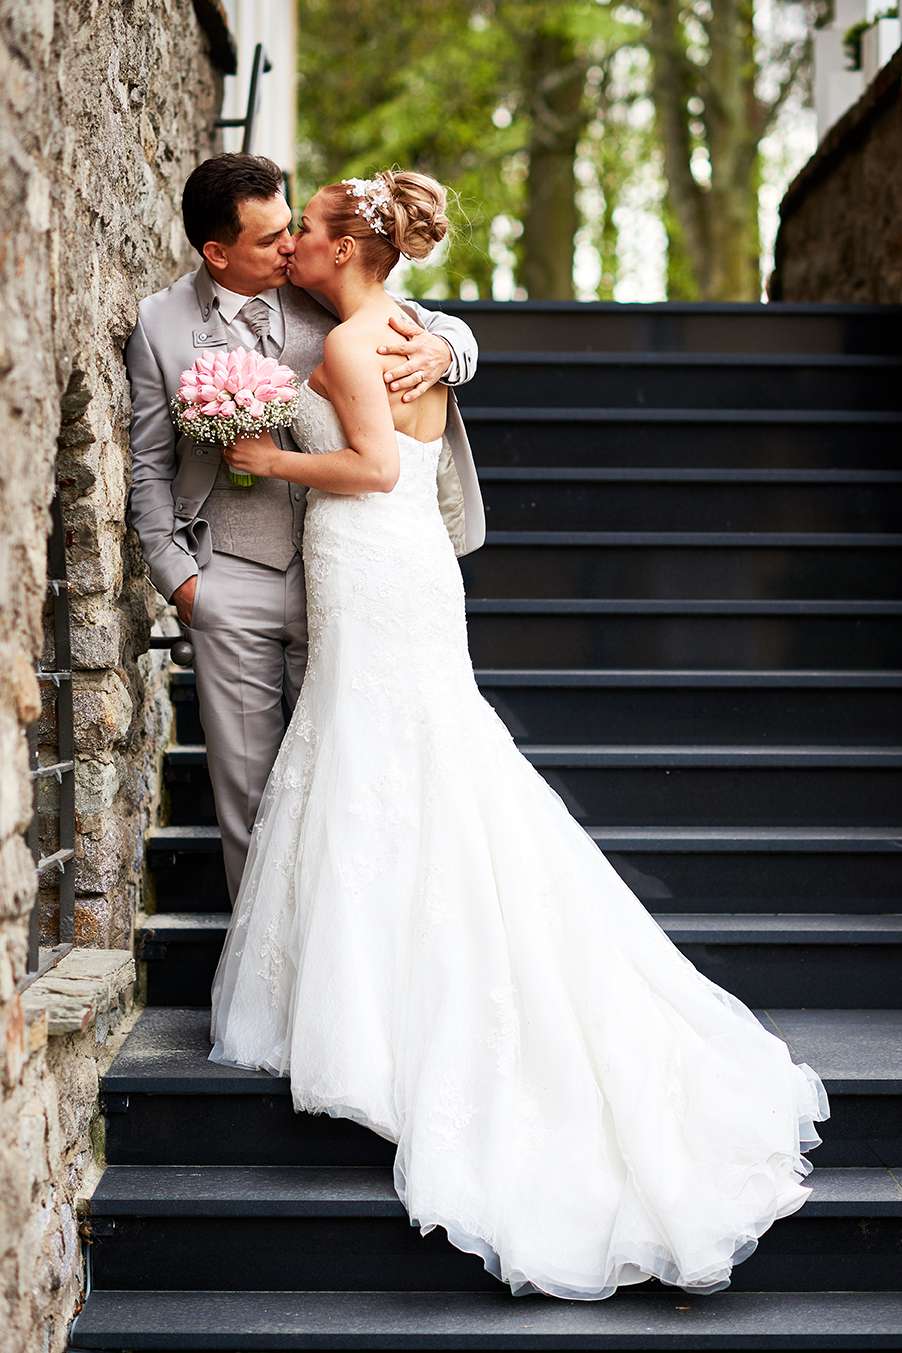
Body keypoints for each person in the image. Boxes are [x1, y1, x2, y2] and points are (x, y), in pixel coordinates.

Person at [207, 169, 830, 1302]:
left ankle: (388, 1010)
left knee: (388, 759)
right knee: (406, 763)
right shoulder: (403, 326)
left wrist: (267, 461)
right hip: (400, 573)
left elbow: (376, 466)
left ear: (350, 249)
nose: (291, 239)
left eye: (305, 228)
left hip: (374, 557)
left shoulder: (359, 342)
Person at [124, 153, 484, 902]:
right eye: (270, 239)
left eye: (294, 229)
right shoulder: (162, 325)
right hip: (233, 578)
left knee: (348, 786)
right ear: (217, 252)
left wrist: (449, 349)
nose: (290, 247)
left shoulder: (323, 291)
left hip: (347, 576)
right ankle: (275, 988)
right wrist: (181, 580)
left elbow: (420, 312)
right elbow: (148, 462)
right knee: (256, 803)